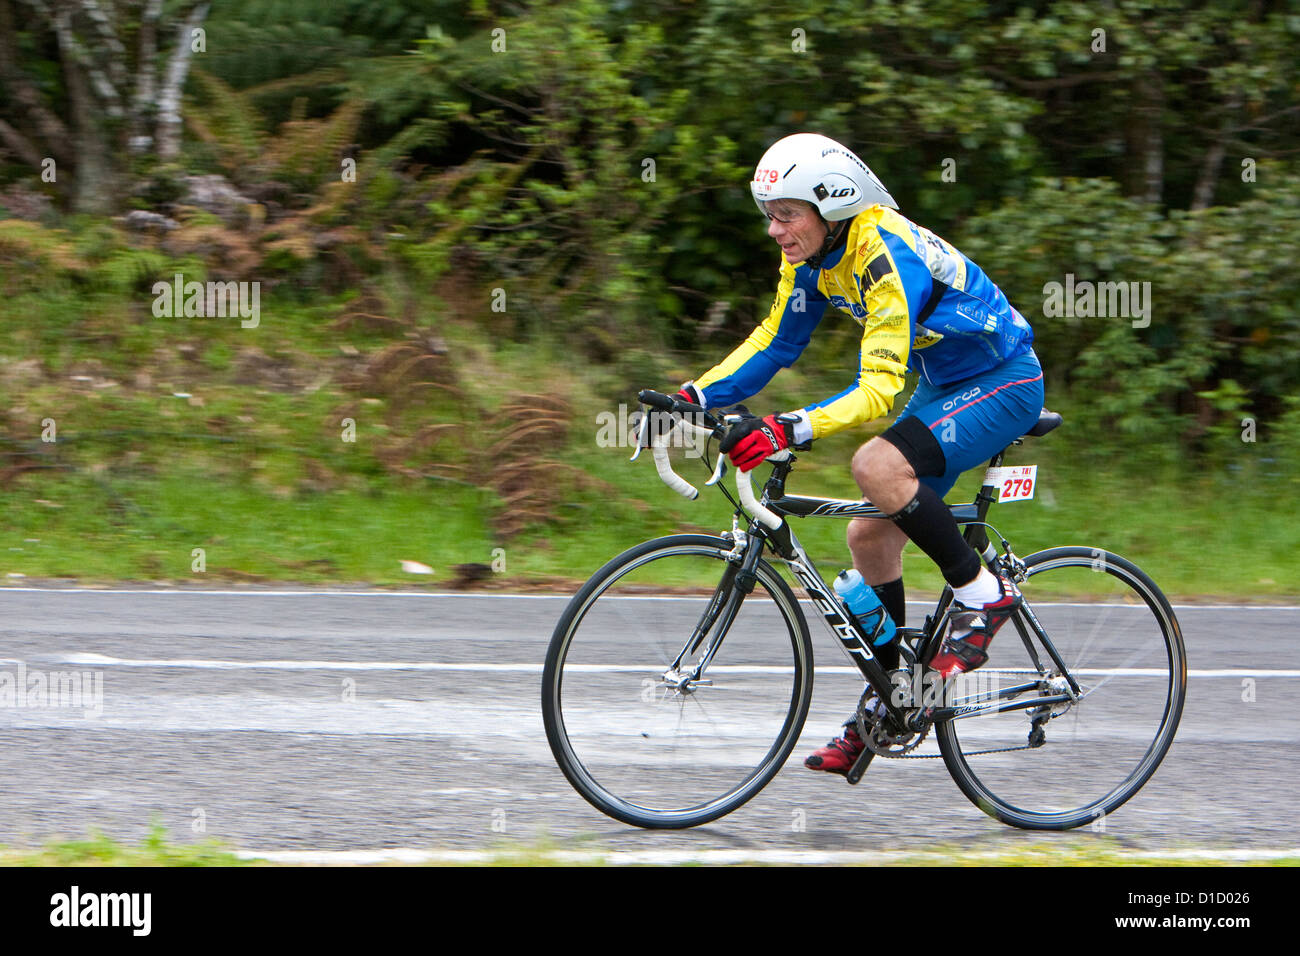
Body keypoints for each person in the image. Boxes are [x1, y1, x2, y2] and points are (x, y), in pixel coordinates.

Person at [665, 132, 1045, 775]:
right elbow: (775, 343)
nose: (775, 231)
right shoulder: (813, 259)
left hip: (1005, 380)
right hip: (947, 385)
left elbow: (878, 388)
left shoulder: (883, 252)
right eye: (769, 216)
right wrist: (693, 395)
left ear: (831, 205)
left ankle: (987, 596)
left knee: (875, 465)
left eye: (786, 215)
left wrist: (792, 427)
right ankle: (894, 702)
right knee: (869, 535)